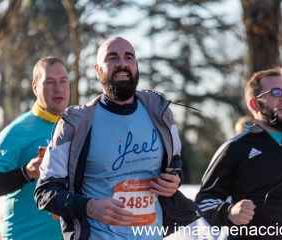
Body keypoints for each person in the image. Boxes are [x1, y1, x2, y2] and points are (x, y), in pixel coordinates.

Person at [34, 36, 200, 240]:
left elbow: (175, 163)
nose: (122, 63)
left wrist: (175, 180)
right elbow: (45, 192)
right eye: (112, 58)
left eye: (129, 57)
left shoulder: (160, 113)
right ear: (97, 70)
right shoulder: (74, 124)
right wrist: (90, 207)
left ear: (136, 66)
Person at [195, 66, 282, 239]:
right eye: (276, 93)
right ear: (254, 104)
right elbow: (204, 201)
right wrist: (229, 212)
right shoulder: (234, 147)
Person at [0, 56, 70, 239]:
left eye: (63, 81)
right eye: (50, 82)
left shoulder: (77, 127)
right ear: (35, 87)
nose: (58, 88)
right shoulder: (17, 131)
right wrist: (27, 172)